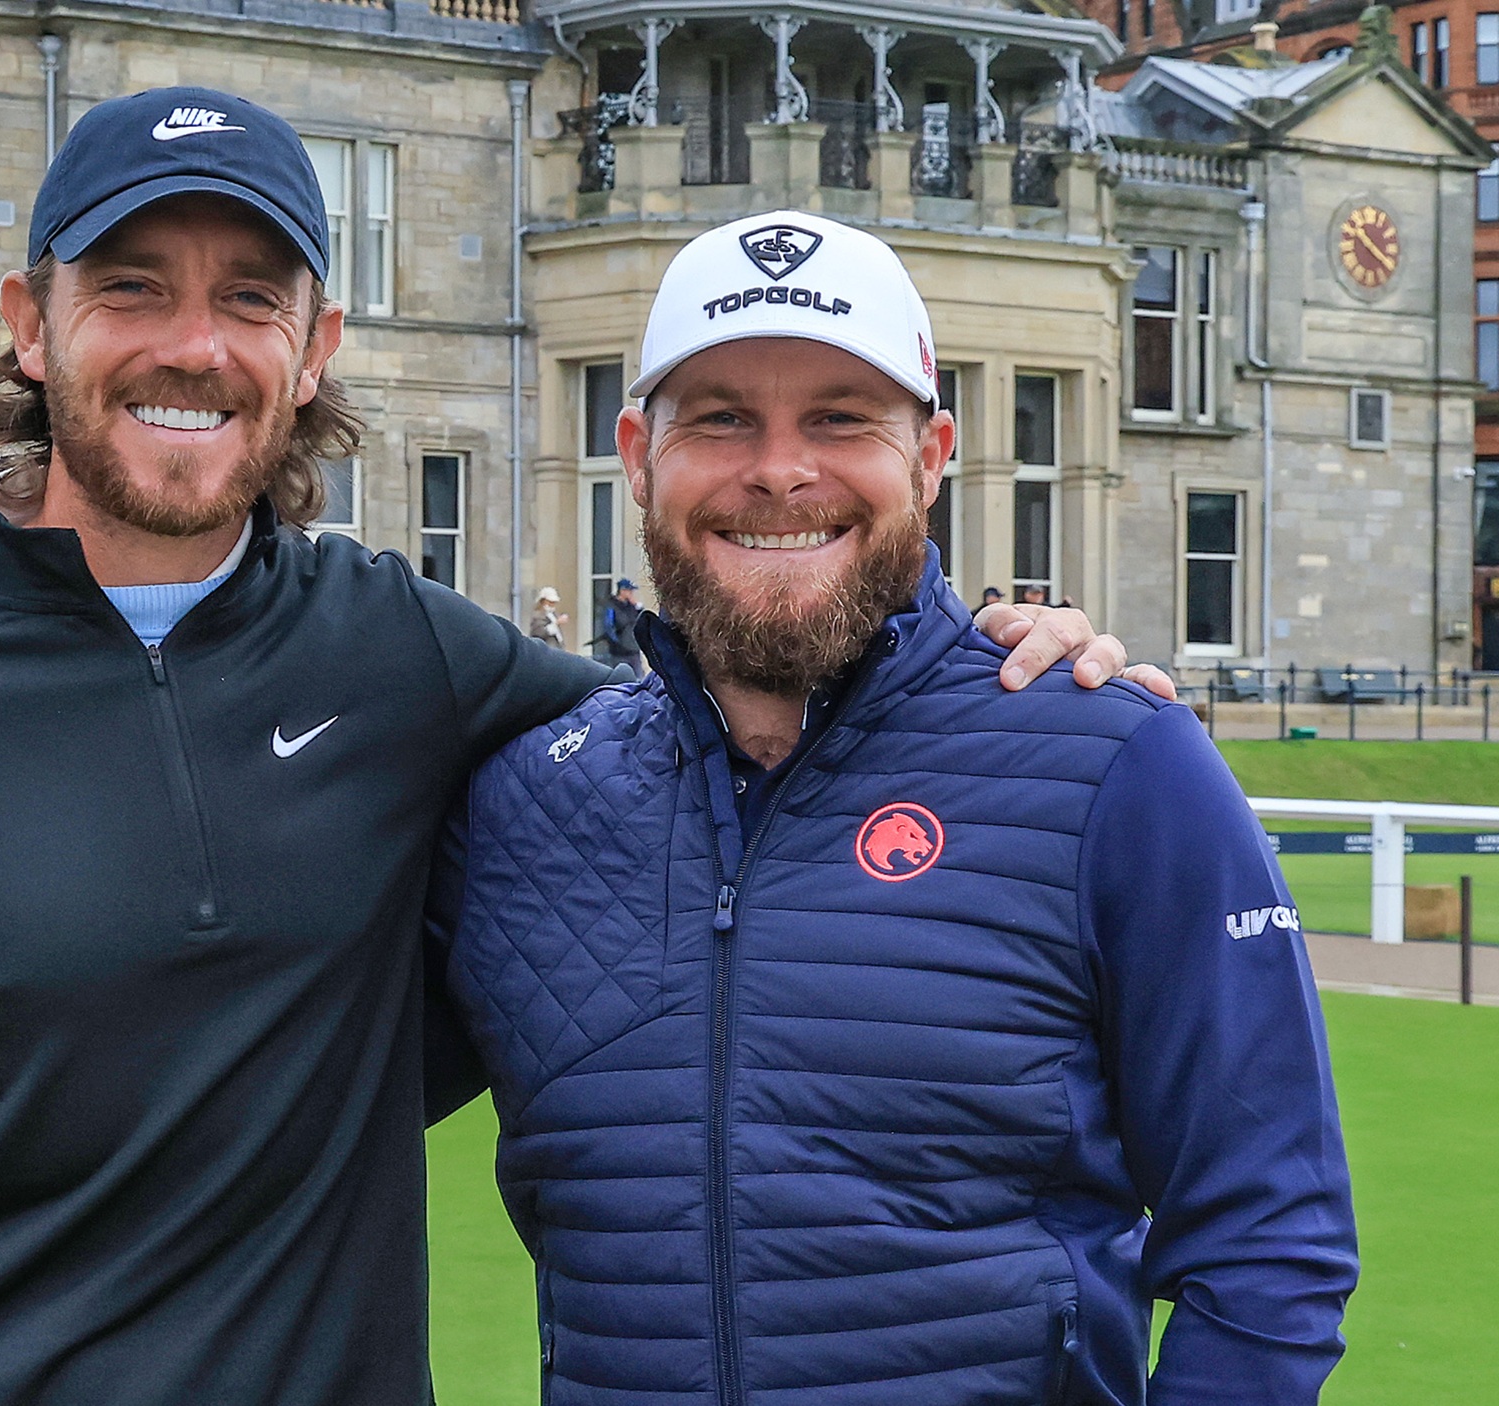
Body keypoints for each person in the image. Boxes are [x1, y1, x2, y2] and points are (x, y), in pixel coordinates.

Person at [0, 95, 1167, 1406]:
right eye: (131, 286)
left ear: (316, 343)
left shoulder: (406, 653)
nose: (192, 344)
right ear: (30, 323)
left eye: (250, 297)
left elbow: (741, 699)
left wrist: (1008, 655)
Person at [431, 212, 1356, 1405]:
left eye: (839, 417)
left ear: (930, 456)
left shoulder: (1119, 762)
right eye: (718, 417)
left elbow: (1267, 1242)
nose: (778, 468)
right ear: (637, 454)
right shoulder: (520, 801)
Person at [596, 578, 644, 670]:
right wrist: (617, 643)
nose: (631, 593)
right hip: (619, 653)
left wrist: (638, 607)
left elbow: (641, 619)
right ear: (622, 591)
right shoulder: (611, 606)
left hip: (634, 650)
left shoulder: (632, 606)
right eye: (629, 591)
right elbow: (608, 626)